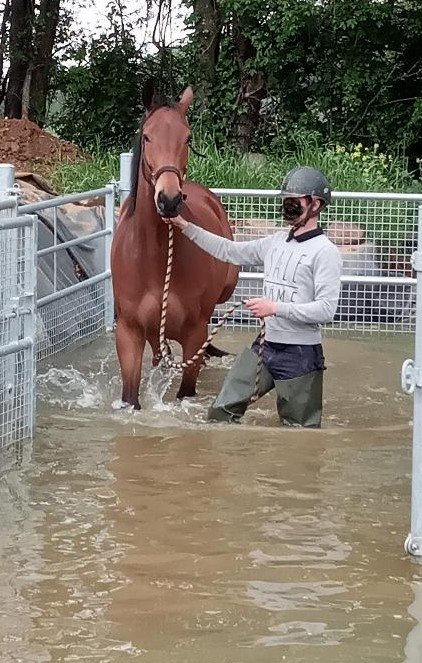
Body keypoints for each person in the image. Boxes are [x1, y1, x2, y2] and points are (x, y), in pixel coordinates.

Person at [171, 166, 343, 428]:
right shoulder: (275, 242)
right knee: (220, 412)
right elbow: (228, 250)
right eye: (286, 199)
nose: (288, 205)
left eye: (294, 200)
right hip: (265, 346)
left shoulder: (325, 252)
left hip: (300, 355)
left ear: (316, 204)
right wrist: (185, 227)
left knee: (301, 432)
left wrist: (275, 308)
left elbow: (326, 310)